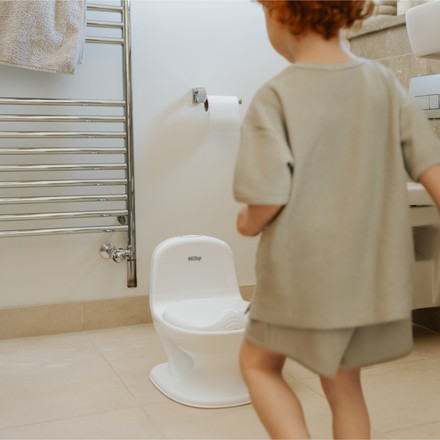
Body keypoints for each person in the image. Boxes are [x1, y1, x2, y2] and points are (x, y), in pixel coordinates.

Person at [233, 1, 440, 438]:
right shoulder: (384, 85)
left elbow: (267, 200)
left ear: (280, 14)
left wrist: (248, 223)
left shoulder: (276, 96)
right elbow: (433, 173)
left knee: (258, 365)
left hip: (297, 278)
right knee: (345, 387)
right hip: (366, 282)